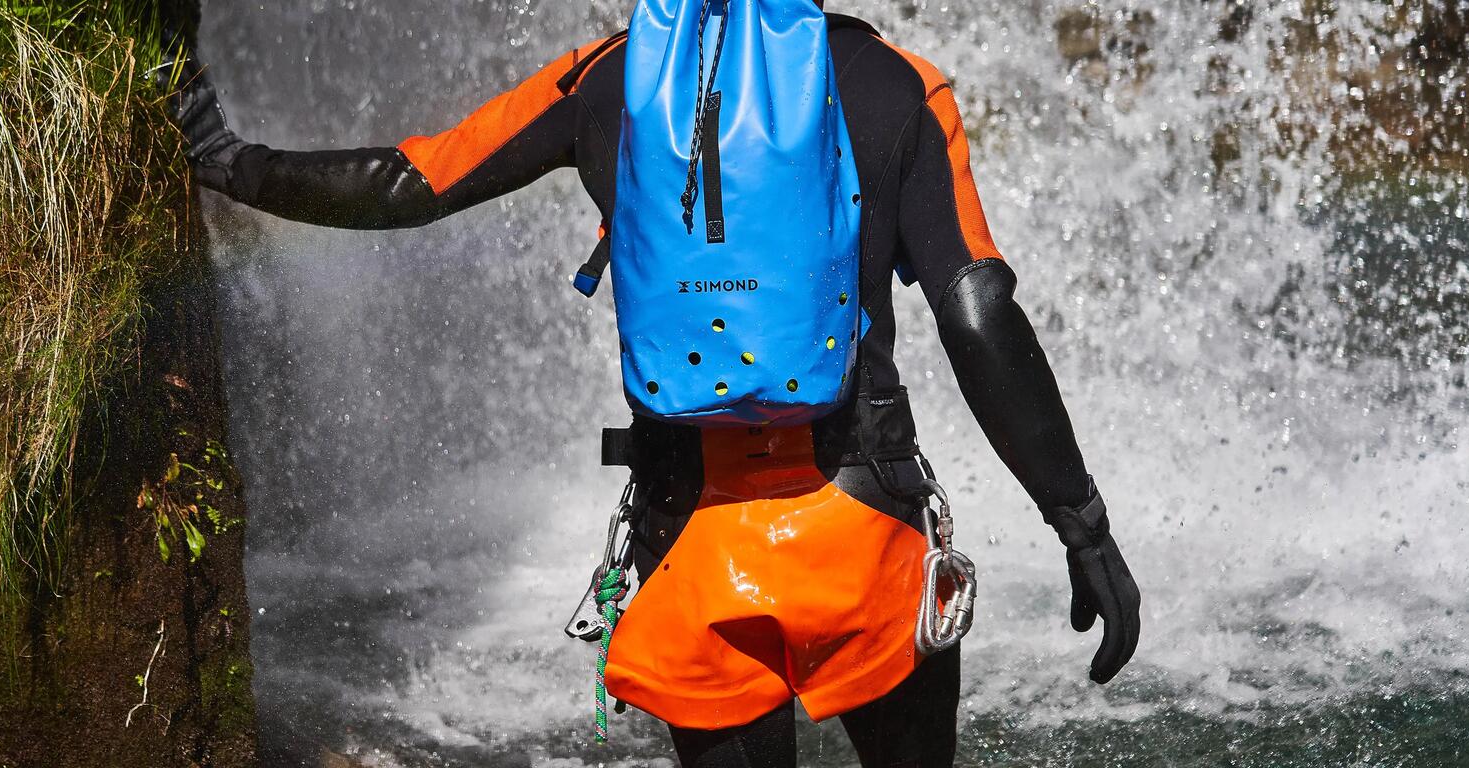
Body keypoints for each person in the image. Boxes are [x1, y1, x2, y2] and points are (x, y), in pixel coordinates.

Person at [171, 5, 1140, 767]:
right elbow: (976, 314)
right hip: (866, 535)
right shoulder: (899, 83)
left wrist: (227, 161)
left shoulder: (612, 77)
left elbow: (412, 181)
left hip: (691, 546)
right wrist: (1079, 521)